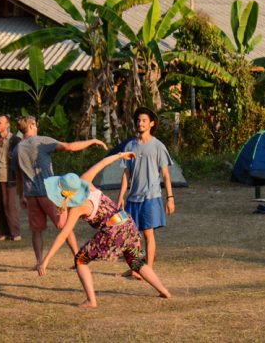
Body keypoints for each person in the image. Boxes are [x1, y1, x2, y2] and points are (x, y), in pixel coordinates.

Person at [37, 152, 171, 308]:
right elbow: (102, 163)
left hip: (114, 230)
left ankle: (91, 300)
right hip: (127, 221)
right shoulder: (85, 180)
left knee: (80, 259)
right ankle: (164, 291)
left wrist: (45, 261)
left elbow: (64, 235)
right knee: (136, 261)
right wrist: (121, 155)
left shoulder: (77, 208)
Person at [11, 115, 107, 269]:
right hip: (49, 192)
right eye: (35, 125)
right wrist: (92, 141)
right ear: (30, 126)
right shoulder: (42, 141)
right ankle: (78, 258)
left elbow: (18, 176)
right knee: (65, 225)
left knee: (37, 230)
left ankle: (39, 261)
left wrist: (21, 195)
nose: (36, 127)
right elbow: (69, 146)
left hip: (31, 195)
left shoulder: (17, 149)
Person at [118, 107, 175, 275]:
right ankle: (136, 268)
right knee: (132, 237)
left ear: (151, 123)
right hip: (132, 198)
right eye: (138, 120)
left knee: (148, 234)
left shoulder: (158, 146)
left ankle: (148, 269)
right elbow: (126, 174)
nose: (140, 123)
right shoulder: (130, 146)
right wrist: (121, 196)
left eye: (144, 120)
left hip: (150, 197)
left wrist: (170, 197)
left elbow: (165, 174)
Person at [0, 114, 22, 241]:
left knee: (10, 205)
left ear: (7, 125)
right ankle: (0, 233)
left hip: (10, 177)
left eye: (0, 123)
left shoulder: (15, 140)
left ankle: (14, 233)